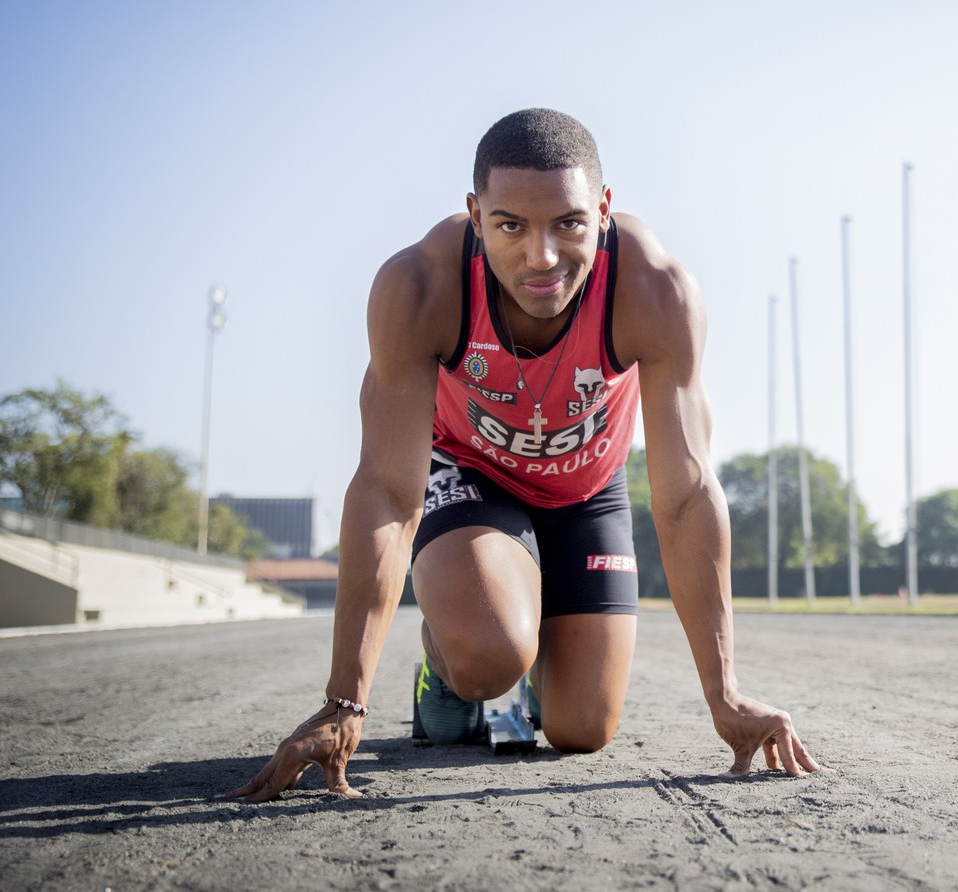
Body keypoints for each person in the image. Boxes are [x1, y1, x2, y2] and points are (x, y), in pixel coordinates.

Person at [229, 109, 819, 801]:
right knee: (488, 656)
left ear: (603, 210)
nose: (542, 256)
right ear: (475, 217)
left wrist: (727, 693)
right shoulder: (420, 286)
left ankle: (534, 663)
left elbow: (686, 495)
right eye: (511, 225)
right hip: (471, 475)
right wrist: (344, 700)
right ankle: (447, 662)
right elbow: (389, 490)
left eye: (568, 223)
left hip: (587, 490)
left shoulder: (656, 289)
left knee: (582, 727)